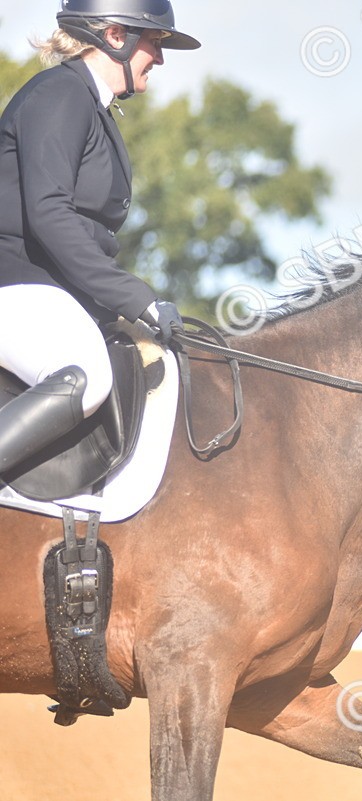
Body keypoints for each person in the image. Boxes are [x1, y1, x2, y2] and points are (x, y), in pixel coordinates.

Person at [0, 1, 200, 474]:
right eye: (155, 42)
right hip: (13, 283)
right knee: (85, 376)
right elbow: (49, 213)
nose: (161, 57)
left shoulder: (92, 107)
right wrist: (137, 298)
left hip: (45, 290)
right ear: (115, 36)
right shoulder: (60, 93)